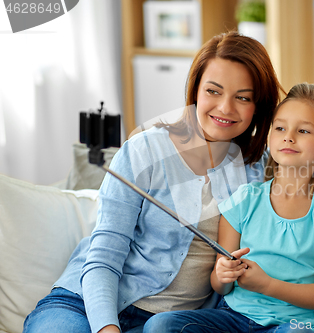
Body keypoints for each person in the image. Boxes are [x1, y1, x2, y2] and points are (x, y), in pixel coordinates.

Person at [23, 31, 283, 333]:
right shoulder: (144, 150)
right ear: (195, 91)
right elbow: (104, 255)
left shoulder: (260, 168)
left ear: (258, 105)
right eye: (213, 91)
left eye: (242, 97)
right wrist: (107, 328)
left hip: (170, 323)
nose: (225, 107)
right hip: (86, 304)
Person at [142, 83, 314, 333]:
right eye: (280, 128)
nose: (288, 136)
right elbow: (220, 286)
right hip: (235, 319)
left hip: (294, 323)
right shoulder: (244, 200)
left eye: (303, 130)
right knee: (160, 325)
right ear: (270, 137)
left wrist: (267, 285)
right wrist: (223, 273)